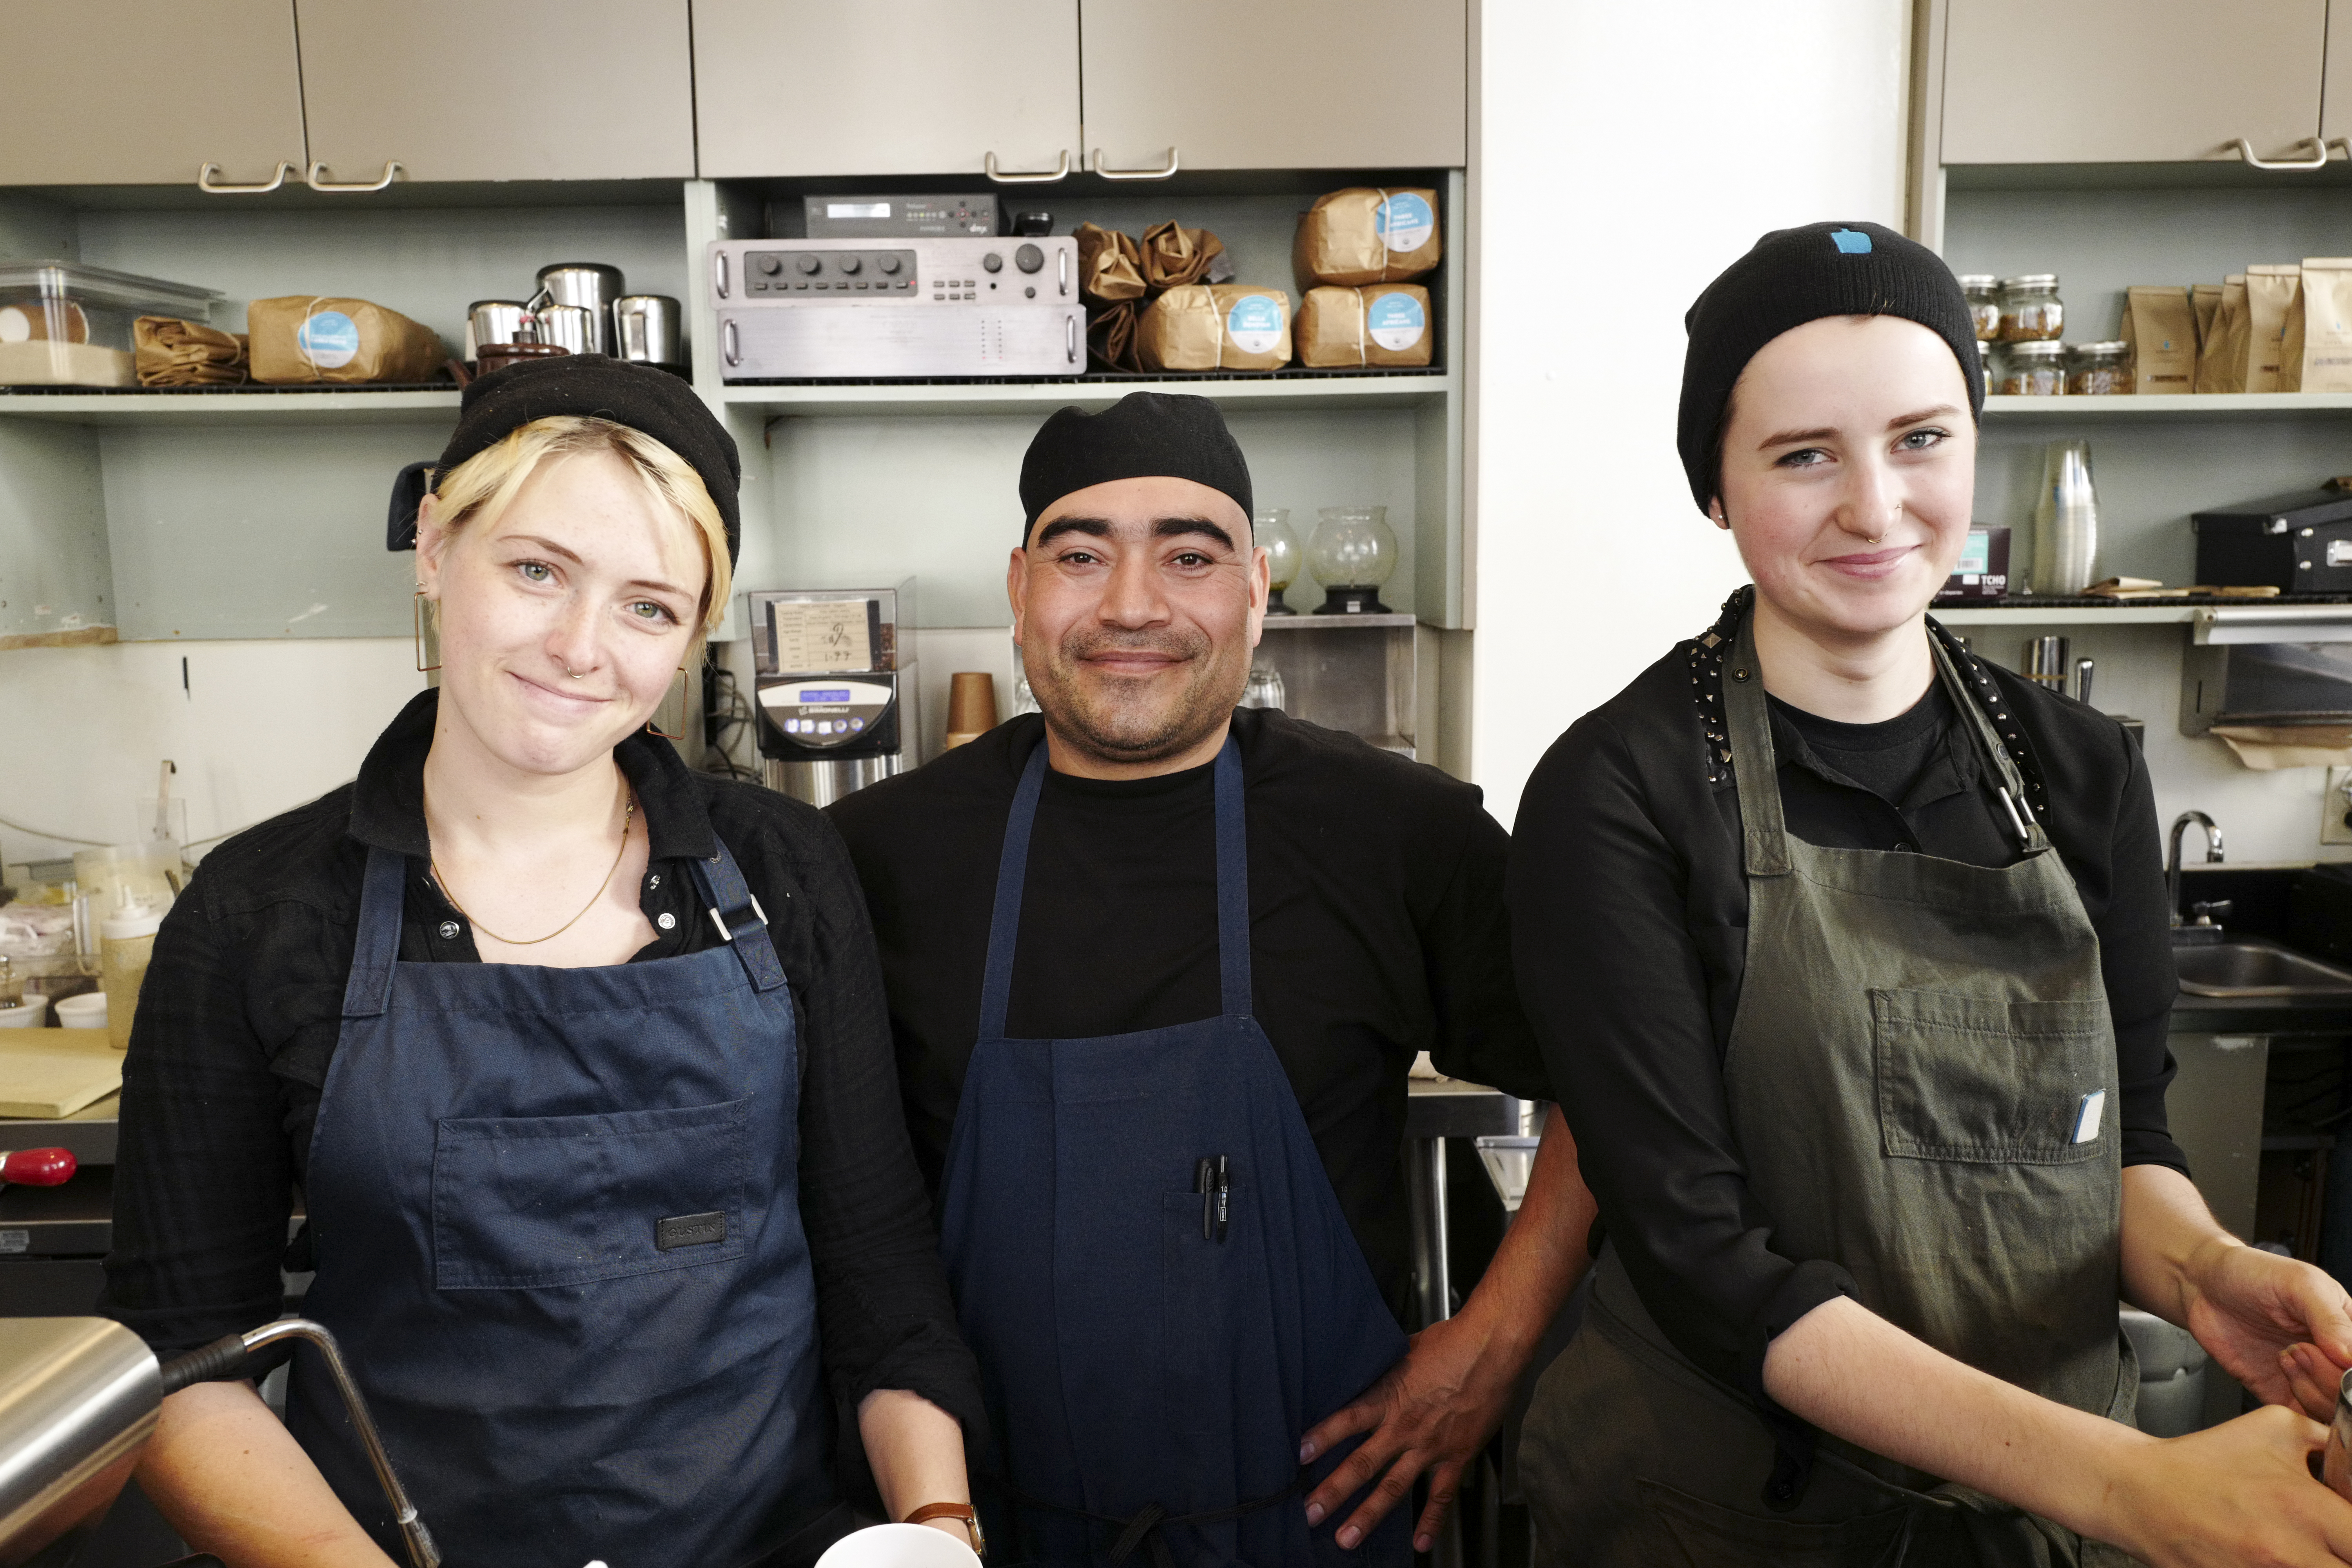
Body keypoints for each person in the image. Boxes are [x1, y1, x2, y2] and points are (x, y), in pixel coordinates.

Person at [1509, 222, 2352, 1565]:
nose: (1875, 506)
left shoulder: (2081, 770)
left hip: (2039, 1519)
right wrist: (2132, 1487)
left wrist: (2209, 1276)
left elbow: (2126, 1141)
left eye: (1921, 439)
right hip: (1725, 1518)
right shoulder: (1622, 791)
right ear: (1715, 490)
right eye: (1803, 456)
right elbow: (1702, 1257)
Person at [102, 357, 984, 1568]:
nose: (582, 646)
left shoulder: (781, 868)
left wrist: (939, 1529)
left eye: (648, 606)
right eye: (536, 571)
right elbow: (183, 1352)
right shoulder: (261, 910)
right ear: (432, 544)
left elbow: (880, 1276)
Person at [827, 392, 1597, 1565]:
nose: (1132, 604)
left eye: (1190, 555)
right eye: (1081, 554)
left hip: (1318, 1531)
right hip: (986, 1536)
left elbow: (1623, 1085)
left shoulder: (1396, 834)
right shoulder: (878, 858)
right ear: (1021, 589)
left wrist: (1491, 1346)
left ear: (1255, 588)